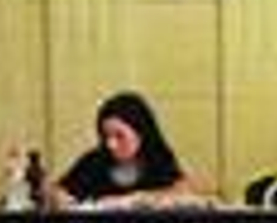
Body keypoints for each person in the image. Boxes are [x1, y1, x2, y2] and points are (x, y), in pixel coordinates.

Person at [53, 89, 198, 208]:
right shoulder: (94, 160)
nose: (111, 144)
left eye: (119, 136)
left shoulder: (158, 159)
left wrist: (137, 199)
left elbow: (185, 192)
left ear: (141, 133)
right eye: (106, 136)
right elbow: (57, 190)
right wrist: (59, 198)